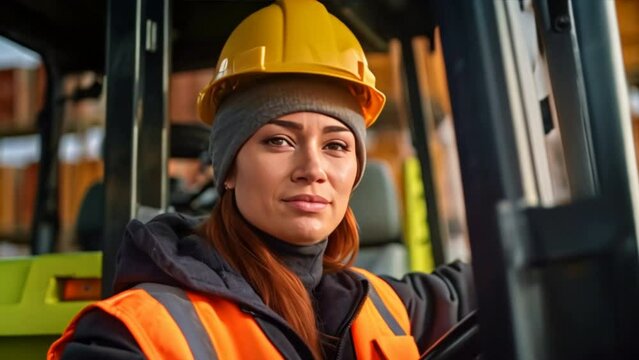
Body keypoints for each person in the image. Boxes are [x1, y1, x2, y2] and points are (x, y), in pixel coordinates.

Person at [48, 0, 475, 359]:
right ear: (229, 167)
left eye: (336, 146)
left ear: (356, 172)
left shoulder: (381, 305)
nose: (313, 168)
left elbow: (501, 276)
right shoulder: (132, 336)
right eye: (279, 140)